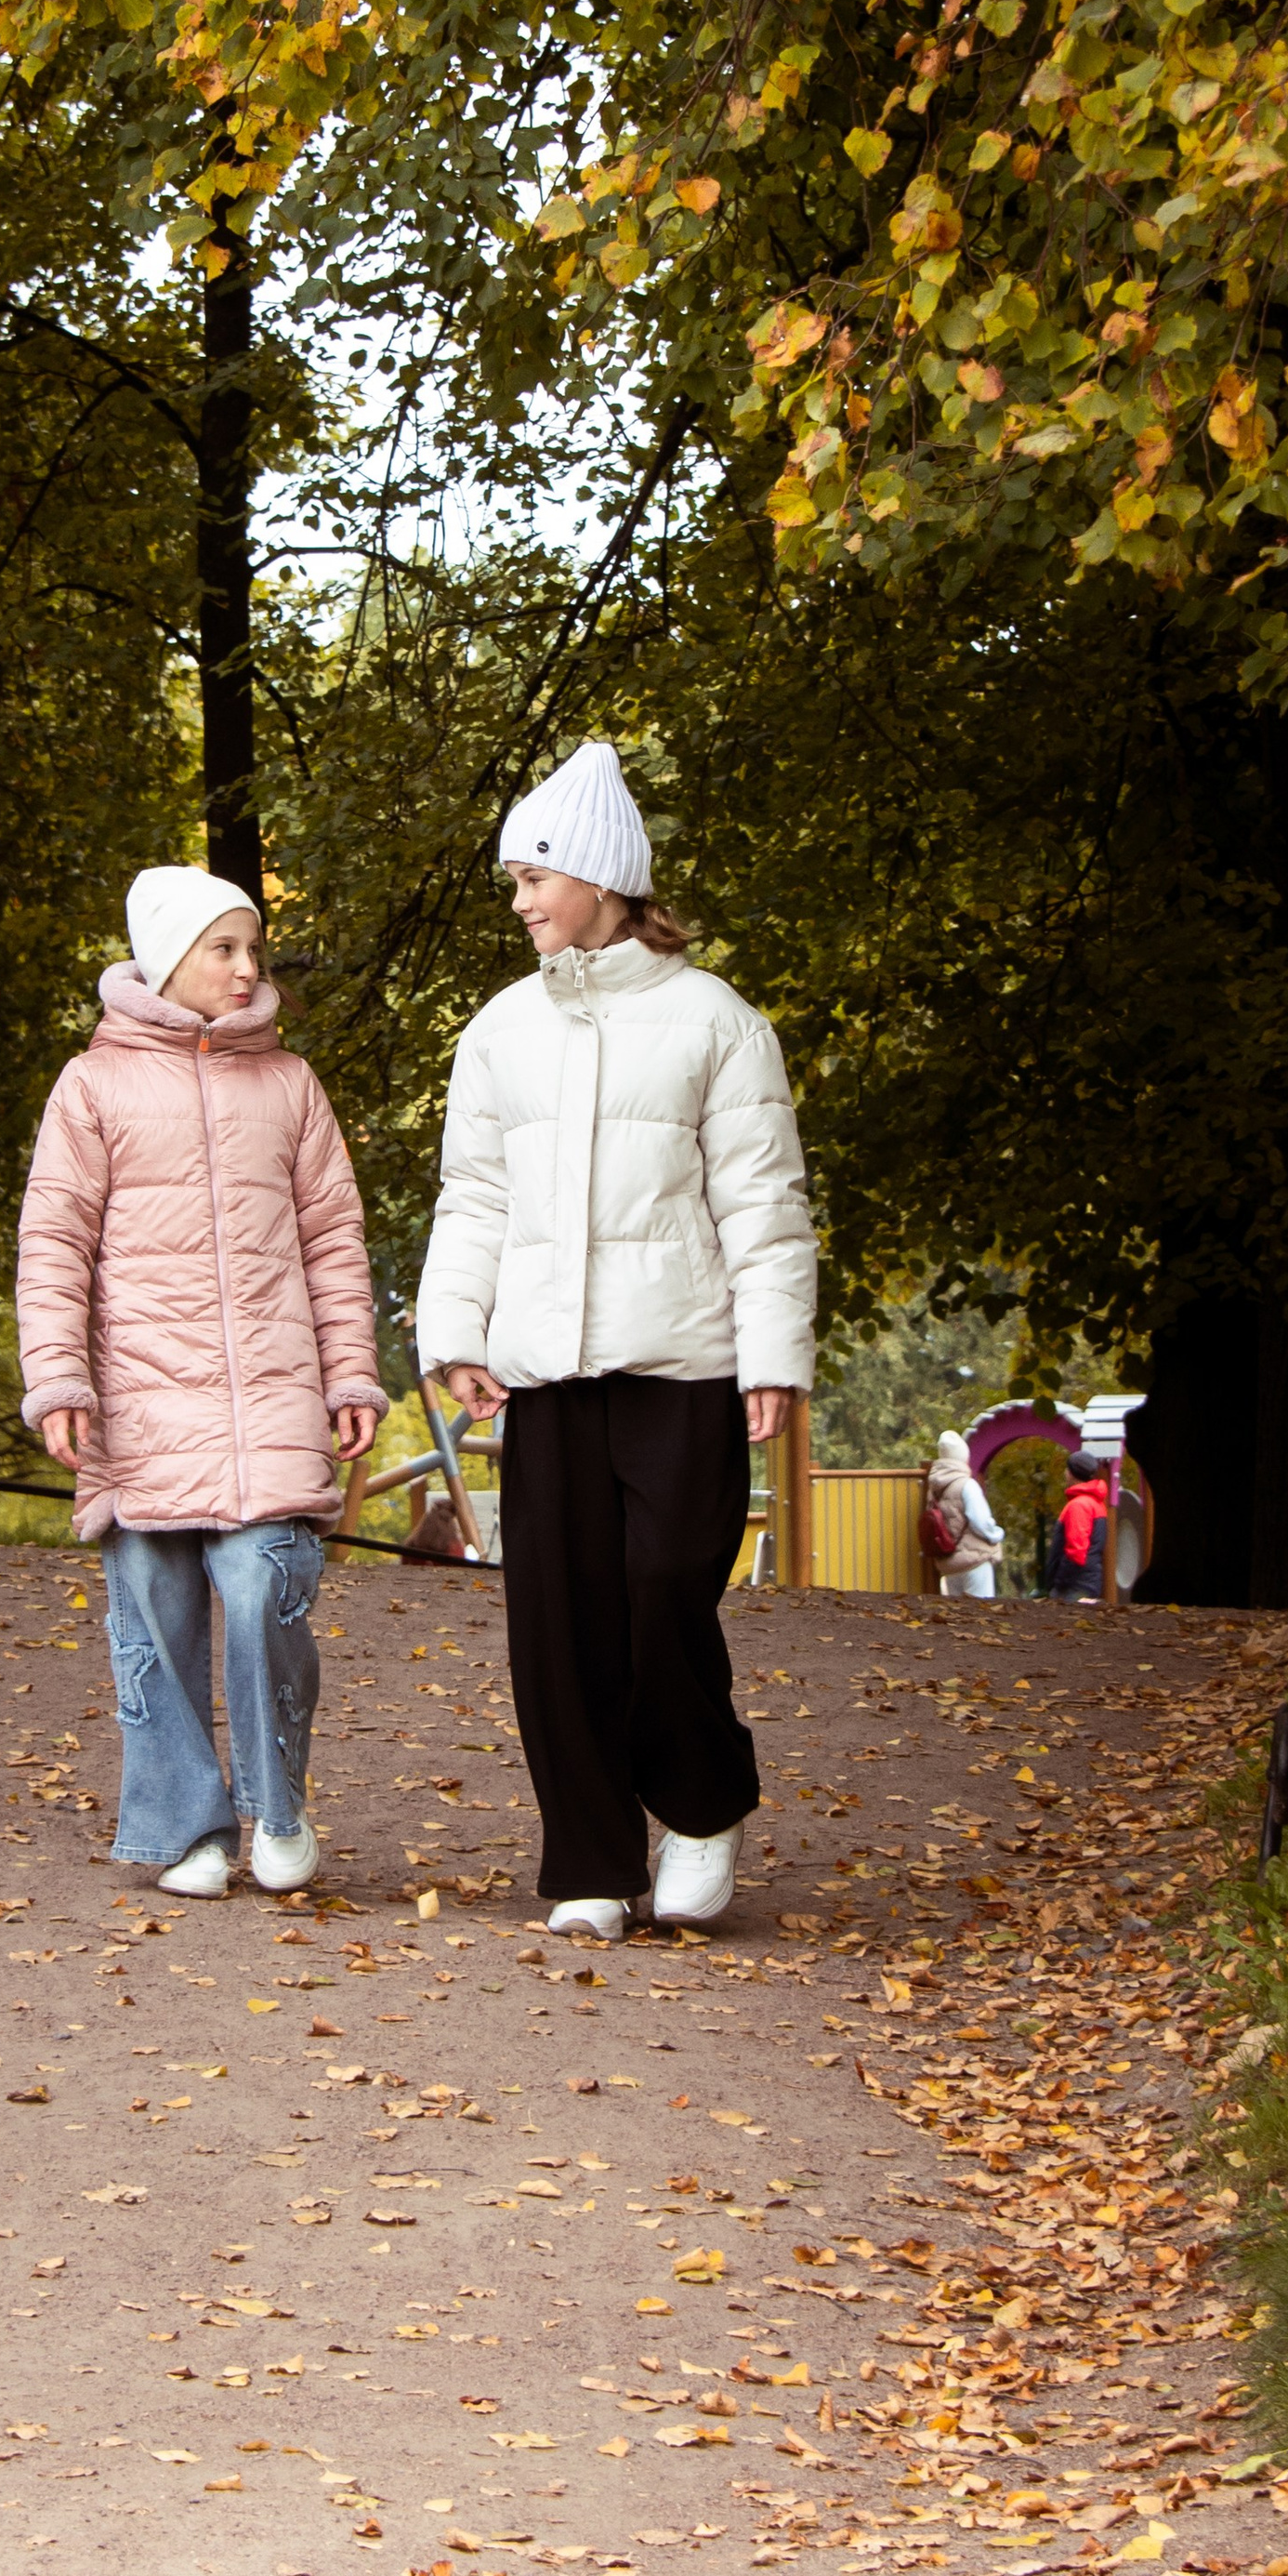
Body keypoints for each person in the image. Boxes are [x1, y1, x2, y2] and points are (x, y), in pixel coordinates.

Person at [416, 740, 816, 1942]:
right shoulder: (497, 1030)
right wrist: (455, 1332)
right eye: (515, 882)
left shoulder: (717, 1022)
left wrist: (773, 1353)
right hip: (543, 1369)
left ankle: (700, 1806)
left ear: (602, 879)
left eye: (537, 875)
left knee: (659, 1595)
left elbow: (763, 1200)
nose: (524, 901)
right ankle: (591, 1859)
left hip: (683, 1364)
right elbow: (472, 1196)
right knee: (555, 1618)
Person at [15, 867, 386, 1896]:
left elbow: (334, 1244)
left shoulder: (291, 1085)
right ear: (166, 958)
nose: (246, 968)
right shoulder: (90, 1087)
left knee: (269, 1585)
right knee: (153, 1611)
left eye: (253, 949)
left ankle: (277, 1808)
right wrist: (59, 1382)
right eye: (224, 948)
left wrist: (350, 1371)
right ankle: (187, 1829)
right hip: (135, 1411)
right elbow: (53, 1246)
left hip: (269, 1401)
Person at [924, 1428, 1005, 1598]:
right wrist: (997, 1534)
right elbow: (980, 1522)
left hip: (948, 1561)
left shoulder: (933, 1488)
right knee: (982, 1612)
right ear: (963, 1457)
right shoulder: (967, 1485)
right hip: (974, 1561)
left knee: (958, 1616)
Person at [1045, 1451, 1111, 1603]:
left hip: (1074, 1586)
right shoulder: (1094, 1503)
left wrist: (1059, 1582)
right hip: (1087, 1580)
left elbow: (1076, 1551)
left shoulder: (1079, 1505)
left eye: (1067, 1470)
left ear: (1071, 1473)